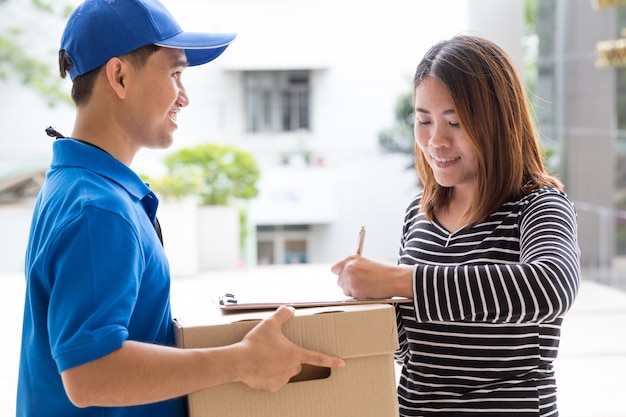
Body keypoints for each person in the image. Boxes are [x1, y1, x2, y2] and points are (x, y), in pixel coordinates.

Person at [17, 1, 345, 416]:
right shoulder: (98, 209)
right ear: (118, 76)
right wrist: (242, 361)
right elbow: (89, 374)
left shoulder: (77, 185)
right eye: (175, 74)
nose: (184, 98)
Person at [331, 35, 580, 416]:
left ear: (498, 121)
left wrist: (401, 281)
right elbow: (412, 348)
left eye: (455, 122)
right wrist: (370, 303)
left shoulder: (538, 205)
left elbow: (549, 288)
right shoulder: (420, 212)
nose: (435, 141)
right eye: (423, 120)